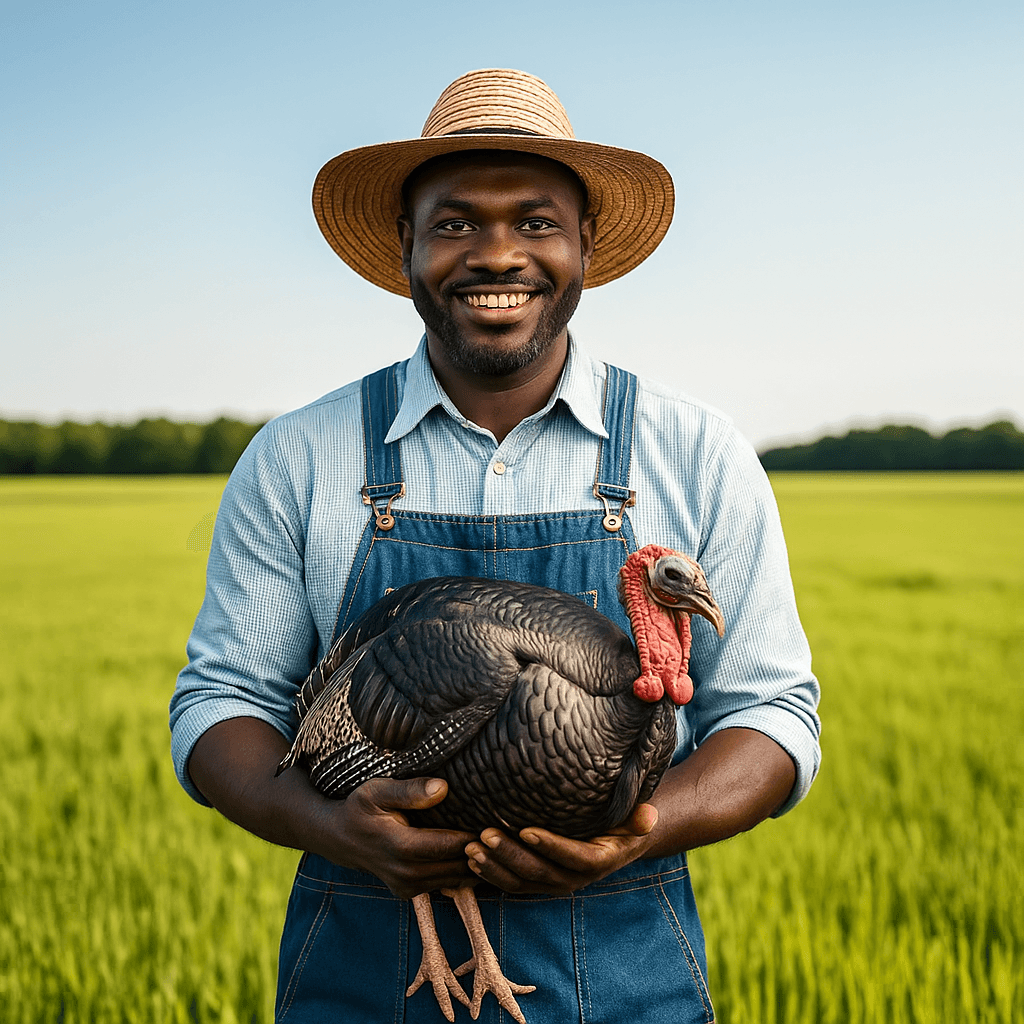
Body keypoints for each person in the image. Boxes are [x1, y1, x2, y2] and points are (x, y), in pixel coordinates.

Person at [170, 68, 821, 1023]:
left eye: (536, 221)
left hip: (626, 977)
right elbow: (222, 701)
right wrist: (333, 826)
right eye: (455, 223)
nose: (497, 254)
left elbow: (772, 716)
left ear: (585, 244)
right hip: (362, 975)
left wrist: (638, 830)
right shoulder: (301, 455)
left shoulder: (697, 452)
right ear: (406, 249)